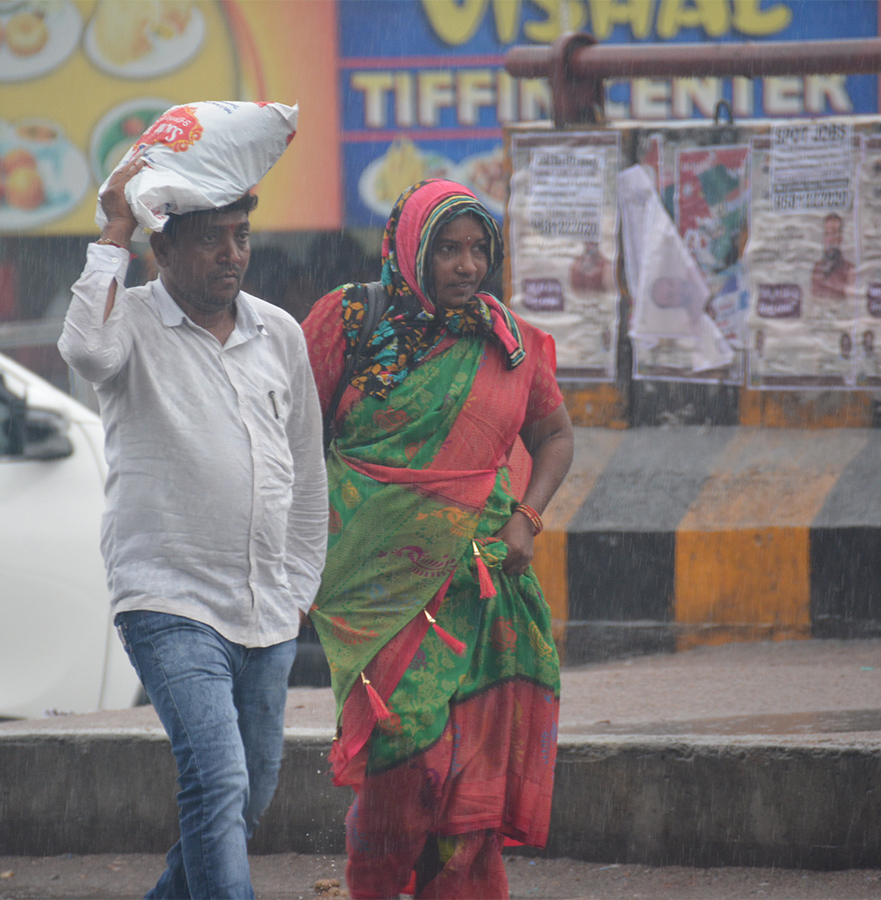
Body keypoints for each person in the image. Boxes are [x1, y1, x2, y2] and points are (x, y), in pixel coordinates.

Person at [57, 153, 327, 900]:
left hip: (267, 608)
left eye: (240, 236)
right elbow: (81, 348)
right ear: (162, 249)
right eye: (211, 239)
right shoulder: (130, 323)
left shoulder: (279, 334)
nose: (231, 254)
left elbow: (306, 464)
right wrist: (113, 226)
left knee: (246, 799)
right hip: (168, 600)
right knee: (217, 781)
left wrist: (299, 581)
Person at [301, 179, 574, 899]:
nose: (466, 265)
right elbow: (293, 439)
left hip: (485, 587)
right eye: (448, 249)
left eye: (479, 248)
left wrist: (529, 517)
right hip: (376, 584)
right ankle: (377, 885)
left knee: (469, 784)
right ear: (409, 249)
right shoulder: (350, 320)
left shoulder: (507, 342)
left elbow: (555, 437)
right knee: (404, 755)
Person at [810, 212, 854, 301]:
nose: (830, 239)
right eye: (826, 234)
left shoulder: (849, 270)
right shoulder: (817, 268)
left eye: (834, 233)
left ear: (840, 238)